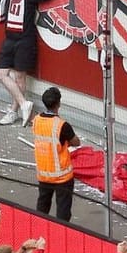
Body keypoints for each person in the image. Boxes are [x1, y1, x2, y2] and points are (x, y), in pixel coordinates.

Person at [0, 0, 65, 125]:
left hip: (25, 40)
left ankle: (14, 111)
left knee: (20, 77)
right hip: (9, 38)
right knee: (1, 73)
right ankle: (24, 104)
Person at [32, 87, 80, 221]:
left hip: (44, 173)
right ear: (58, 103)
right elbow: (76, 142)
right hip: (62, 176)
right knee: (63, 211)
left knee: (42, 206)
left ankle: (40, 228)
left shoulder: (36, 120)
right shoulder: (62, 125)